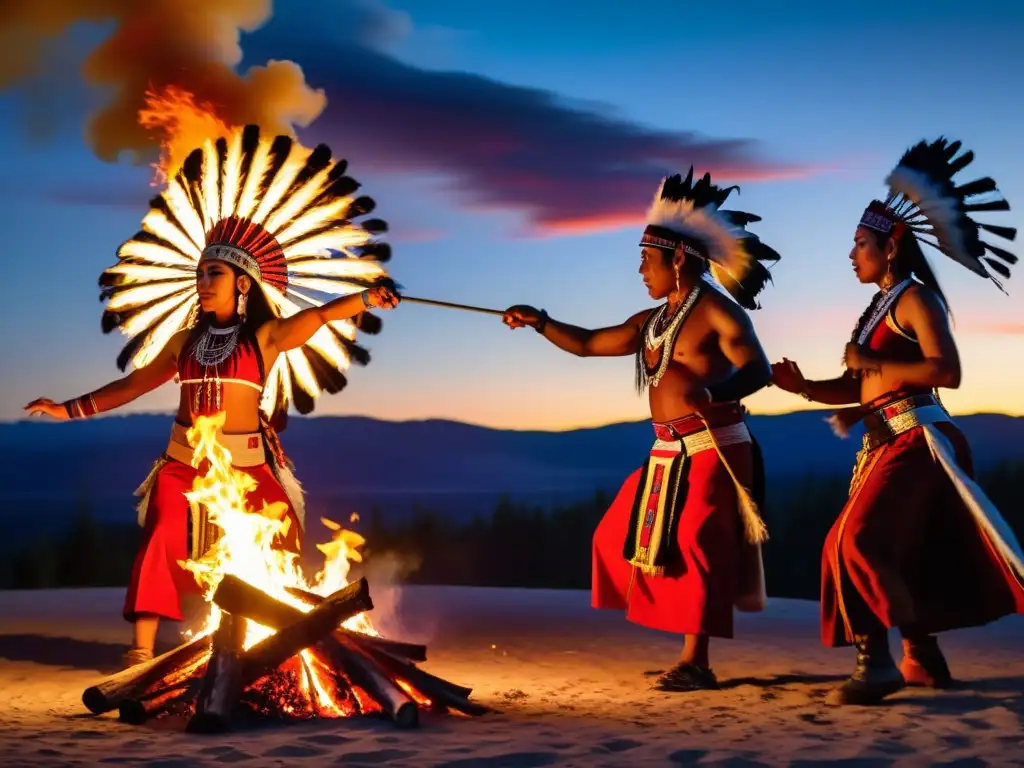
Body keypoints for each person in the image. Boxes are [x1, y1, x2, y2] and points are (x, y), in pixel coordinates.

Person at [24, 126, 399, 668]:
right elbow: (132, 384)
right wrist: (67, 409)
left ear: (243, 283)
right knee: (160, 537)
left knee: (278, 535)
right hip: (182, 465)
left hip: (249, 465)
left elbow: (317, 316)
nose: (204, 280)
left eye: (215, 273)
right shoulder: (183, 342)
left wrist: (364, 297)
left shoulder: (264, 339)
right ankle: (142, 648)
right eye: (200, 272)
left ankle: (276, 640)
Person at [503, 169, 782, 691]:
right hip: (666, 453)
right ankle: (686, 650)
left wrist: (715, 395)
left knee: (698, 542)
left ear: (678, 259)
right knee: (617, 536)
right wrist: (540, 321)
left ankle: (696, 660)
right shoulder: (650, 321)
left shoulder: (720, 313)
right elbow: (588, 343)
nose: (640, 271)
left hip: (715, 448)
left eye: (646, 260)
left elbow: (758, 371)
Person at [771, 137, 1024, 706]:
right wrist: (806, 386)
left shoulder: (916, 300)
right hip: (884, 440)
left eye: (860, 243)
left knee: (857, 540)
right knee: (849, 543)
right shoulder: (877, 309)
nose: (852, 253)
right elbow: (862, 383)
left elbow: (947, 371)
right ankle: (921, 656)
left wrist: (874, 362)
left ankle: (878, 663)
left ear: (892, 246)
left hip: (920, 438)